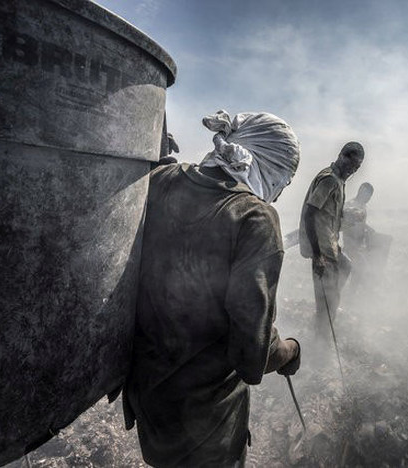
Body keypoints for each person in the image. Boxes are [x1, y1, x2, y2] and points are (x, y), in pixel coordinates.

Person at [123, 110, 302, 467]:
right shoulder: (254, 218)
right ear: (268, 164)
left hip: (149, 401)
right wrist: (291, 351)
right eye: (284, 179)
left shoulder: (162, 179)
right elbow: (253, 357)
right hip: (206, 425)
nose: (280, 193)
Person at [298, 141, 365, 337]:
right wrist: (317, 255)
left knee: (345, 269)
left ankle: (325, 321)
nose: (353, 171)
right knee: (326, 299)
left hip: (330, 244)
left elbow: (329, 215)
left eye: (357, 167)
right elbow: (310, 213)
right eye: (351, 165)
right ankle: (322, 339)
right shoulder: (329, 180)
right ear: (342, 156)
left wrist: (350, 217)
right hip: (322, 249)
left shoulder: (339, 181)